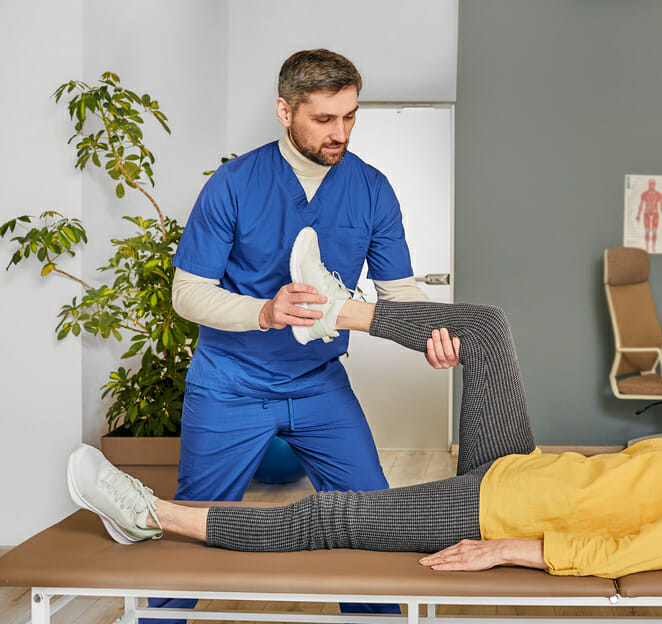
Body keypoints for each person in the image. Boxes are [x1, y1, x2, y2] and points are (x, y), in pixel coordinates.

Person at [70, 295, 662, 579]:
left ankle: (150, 513)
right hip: (516, 465)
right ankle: (335, 311)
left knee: (332, 516)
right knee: (486, 329)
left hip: (490, 509)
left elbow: (617, 556)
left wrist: (509, 549)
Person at [167, 49, 456, 622]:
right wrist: (266, 312)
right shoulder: (233, 183)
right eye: (325, 119)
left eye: (350, 116)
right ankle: (161, 614)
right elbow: (187, 293)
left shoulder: (371, 188)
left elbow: (398, 293)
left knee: (373, 522)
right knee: (192, 529)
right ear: (284, 110)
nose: (340, 132)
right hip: (230, 383)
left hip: (319, 383)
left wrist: (434, 335)